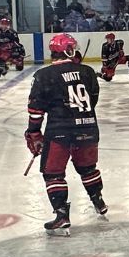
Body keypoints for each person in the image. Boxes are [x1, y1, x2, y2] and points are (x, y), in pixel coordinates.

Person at [23, 33, 106, 235]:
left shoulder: (44, 75)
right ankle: (99, 201)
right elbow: (93, 99)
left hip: (60, 131)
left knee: (53, 173)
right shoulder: (87, 71)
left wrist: (33, 132)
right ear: (68, 50)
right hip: (88, 128)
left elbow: (36, 110)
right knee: (88, 168)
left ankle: (61, 215)